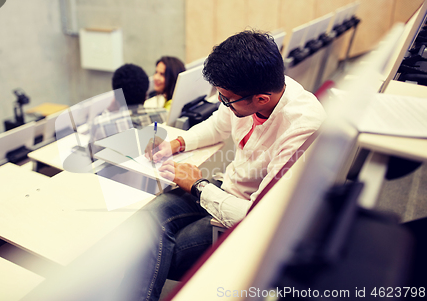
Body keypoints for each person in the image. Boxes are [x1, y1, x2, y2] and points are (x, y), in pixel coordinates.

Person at [135, 30, 327, 300]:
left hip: (244, 214)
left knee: (155, 253)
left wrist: (198, 186)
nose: (223, 104)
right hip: (224, 189)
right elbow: (217, 125)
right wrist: (176, 143)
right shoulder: (255, 88)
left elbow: (258, 217)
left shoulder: (302, 126)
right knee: (146, 223)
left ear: (260, 99)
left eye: (226, 99)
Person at [89, 63, 169, 144]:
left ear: (117, 96)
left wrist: (107, 111)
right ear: (146, 94)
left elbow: (92, 154)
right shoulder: (164, 115)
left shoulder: (100, 125)